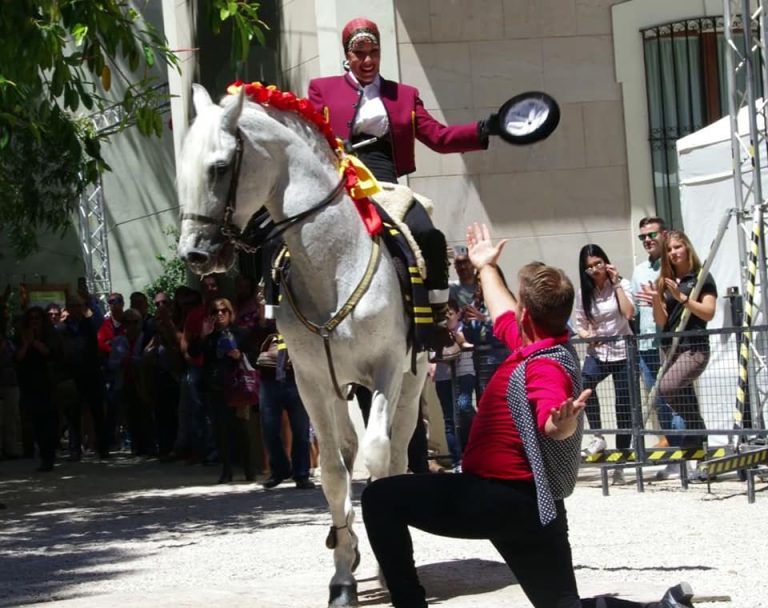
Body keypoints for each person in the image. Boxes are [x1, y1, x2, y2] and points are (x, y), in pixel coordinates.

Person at [361, 222, 697, 608]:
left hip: (498, 498)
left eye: (519, 305)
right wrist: (486, 267)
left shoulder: (545, 366)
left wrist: (562, 422)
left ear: (527, 317)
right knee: (563, 607)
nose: (514, 310)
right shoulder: (536, 343)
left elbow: (551, 422)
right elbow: (502, 309)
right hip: (535, 506)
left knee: (380, 498)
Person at [307, 17, 501, 352]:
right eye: (359, 53)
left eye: (374, 52)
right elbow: (309, 132)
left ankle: (437, 318)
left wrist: (484, 128)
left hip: (385, 183)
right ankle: (283, 328)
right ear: (347, 56)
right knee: (288, 234)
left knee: (428, 235)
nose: (368, 60)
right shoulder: (322, 89)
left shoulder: (404, 96)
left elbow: (439, 137)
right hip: (340, 179)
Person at [646, 230, 717, 453]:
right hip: (670, 347)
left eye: (677, 247)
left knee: (667, 387)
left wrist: (682, 298)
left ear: (687, 247)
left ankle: (697, 427)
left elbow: (708, 312)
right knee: (685, 395)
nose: (673, 252)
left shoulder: (701, 277)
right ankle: (697, 440)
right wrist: (656, 300)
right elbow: (661, 321)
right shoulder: (663, 281)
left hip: (694, 347)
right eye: (669, 249)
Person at [573, 244, 635, 484]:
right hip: (598, 352)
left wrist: (616, 283)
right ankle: (598, 435)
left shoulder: (622, 284)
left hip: (623, 351)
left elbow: (629, 314)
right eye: (589, 267)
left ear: (606, 262)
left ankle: (621, 462)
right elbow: (579, 323)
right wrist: (588, 336)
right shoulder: (584, 293)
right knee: (584, 384)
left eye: (598, 264)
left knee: (623, 405)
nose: (595, 270)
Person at [198, 298, 254, 483]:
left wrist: (240, 356)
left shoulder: (241, 333)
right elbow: (194, 352)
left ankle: (248, 469)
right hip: (217, 387)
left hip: (237, 387)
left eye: (224, 311)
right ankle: (227, 470)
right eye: (216, 311)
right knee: (220, 430)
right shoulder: (210, 336)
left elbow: (253, 354)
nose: (220, 314)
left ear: (231, 314)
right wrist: (204, 335)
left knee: (241, 428)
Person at [257, 323, 316, 490]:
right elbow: (249, 349)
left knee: (301, 430)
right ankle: (280, 469)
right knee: (269, 430)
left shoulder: (301, 326)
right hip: (269, 382)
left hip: (296, 381)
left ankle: (301, 475)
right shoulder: (263, 328)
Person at [430, 299, 475, 470]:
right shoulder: (436, 333)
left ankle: (475, 436)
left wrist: (460, 341)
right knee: (449, 419)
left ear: (458, 314)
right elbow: (432, 355)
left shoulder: (465, 328)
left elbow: (472, 346)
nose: (448, 317)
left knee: (464, 406)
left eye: (450, 313)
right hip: (443, 377)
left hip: (464, 373)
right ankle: (457, 461)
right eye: (444, 314)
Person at [15, 307, 59, 471]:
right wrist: (27, 343)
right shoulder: (21, 336)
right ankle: (42, 454)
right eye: (31, 318)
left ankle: (49, 455)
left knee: (49, 421)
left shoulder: (49, 335)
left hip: (47, 383)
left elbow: (49, 353)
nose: (34, 321)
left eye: (37, 318)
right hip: (29, 384)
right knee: (36, 421)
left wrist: (34, 341)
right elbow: (18, 358)